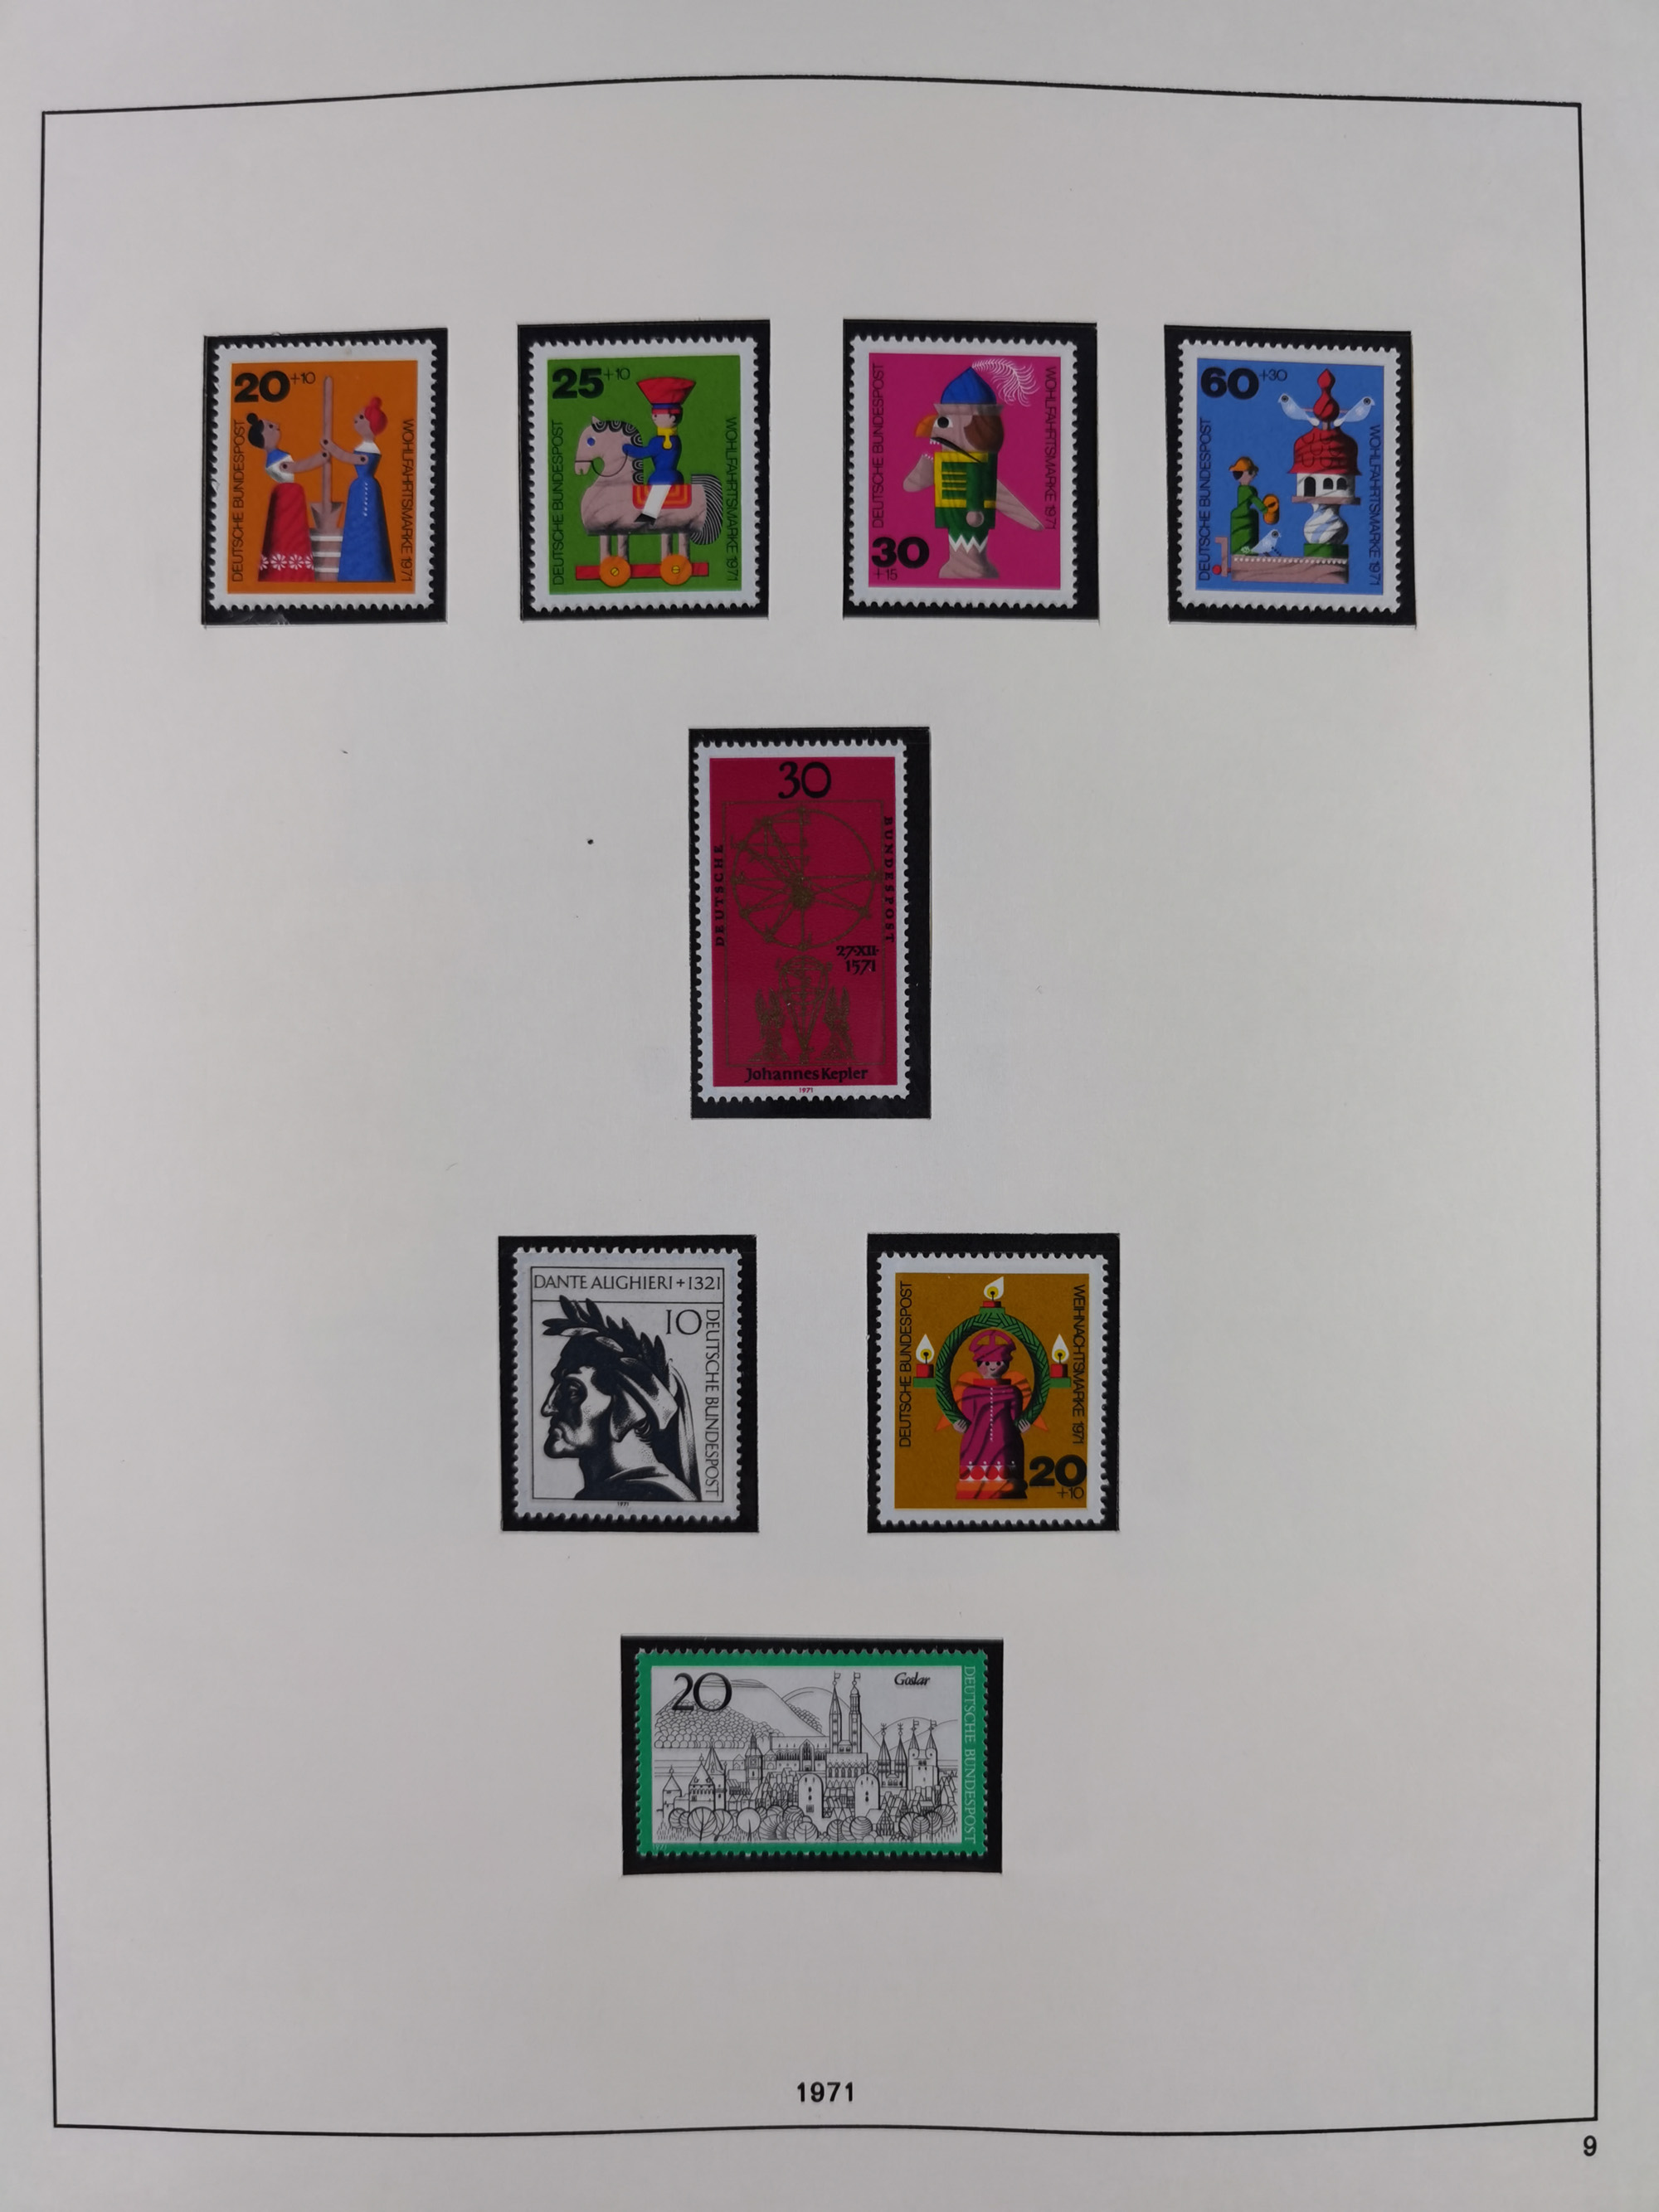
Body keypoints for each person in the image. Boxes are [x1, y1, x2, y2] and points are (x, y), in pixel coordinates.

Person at [539, 1296, 700, 1505]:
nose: (548, 1408)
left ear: (626, 1409)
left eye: (572, 1392)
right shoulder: (612, 1493)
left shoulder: (650, 1497)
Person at [902, 365, 1043, 582]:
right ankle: (961, 565)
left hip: (974, 523)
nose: (933, 428)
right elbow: (910, 485)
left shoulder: (982, 468)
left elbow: (1000, 496)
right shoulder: (946, 465)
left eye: (944, 421)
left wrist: (978, 509)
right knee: (960, 541)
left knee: (972, 544)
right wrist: (923, 472)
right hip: (955, 522)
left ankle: (972, 565)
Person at [948, 1328, 1033, 1501]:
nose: (993, 1366)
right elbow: (967, 1418)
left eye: (998, 1362)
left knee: (1007, 1476)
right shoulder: (969, 1392)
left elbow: (1015, 1418)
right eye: (987, 1363)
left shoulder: (1013, 1391)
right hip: (975, 1441)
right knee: (974, 1478)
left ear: (1006, 1364)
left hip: (1006, 1440)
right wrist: (959, 1426)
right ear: (979, 1364)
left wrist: (1022, 1426)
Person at [246, 413, 322, 581]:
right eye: (270, 426)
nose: (276, 425)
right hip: (288, 497)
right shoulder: (276, 461)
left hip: (290, 495)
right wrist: (321, 457)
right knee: (287, 535)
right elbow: (299, 467)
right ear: (264, 437)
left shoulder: (278, 457)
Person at [327, 396, 394, 582]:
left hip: (365, 491)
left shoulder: (370, 449)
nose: (356, 420)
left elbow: (350, 458)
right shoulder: (365, 446)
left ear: (371, 425)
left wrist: (331, 447)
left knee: (365, 528)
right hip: (360, 489)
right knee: (357, 529)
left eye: (361, 418)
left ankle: (367, 570)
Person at [623, 375, 696, 523]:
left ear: (672, 418)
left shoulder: (659, 441)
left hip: (664, 475)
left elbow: (643, 453)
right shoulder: (675, 439)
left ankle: (650, 516)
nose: (654, 418)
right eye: (654, 414)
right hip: (675, 475)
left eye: (657, 415)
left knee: (657, 483)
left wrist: (626, 448)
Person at [1228, 455, 1277, 556]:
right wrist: (1265, 510)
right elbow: (1255, 500)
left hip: (1241, 512)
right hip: (1244, 513)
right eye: (1251, 473)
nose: (1253, 476)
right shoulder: (1248, 491)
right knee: (1246, 531)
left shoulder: (1241, 489)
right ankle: (1246, 550)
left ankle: (1246, 550)